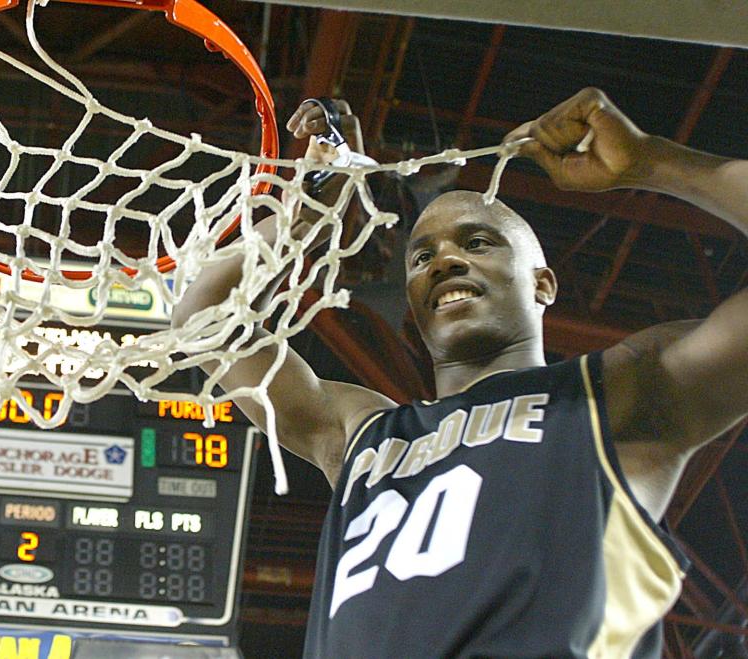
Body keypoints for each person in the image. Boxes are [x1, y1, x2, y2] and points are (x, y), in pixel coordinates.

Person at [172, 87, 748, 657]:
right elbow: (203, 321)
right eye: (422, 257)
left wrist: (654, 161)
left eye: (477, 242)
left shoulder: (619, 390)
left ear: (542, 283)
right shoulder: (362, 432)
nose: (445, 260)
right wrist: (302, 216)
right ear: (412, 295)